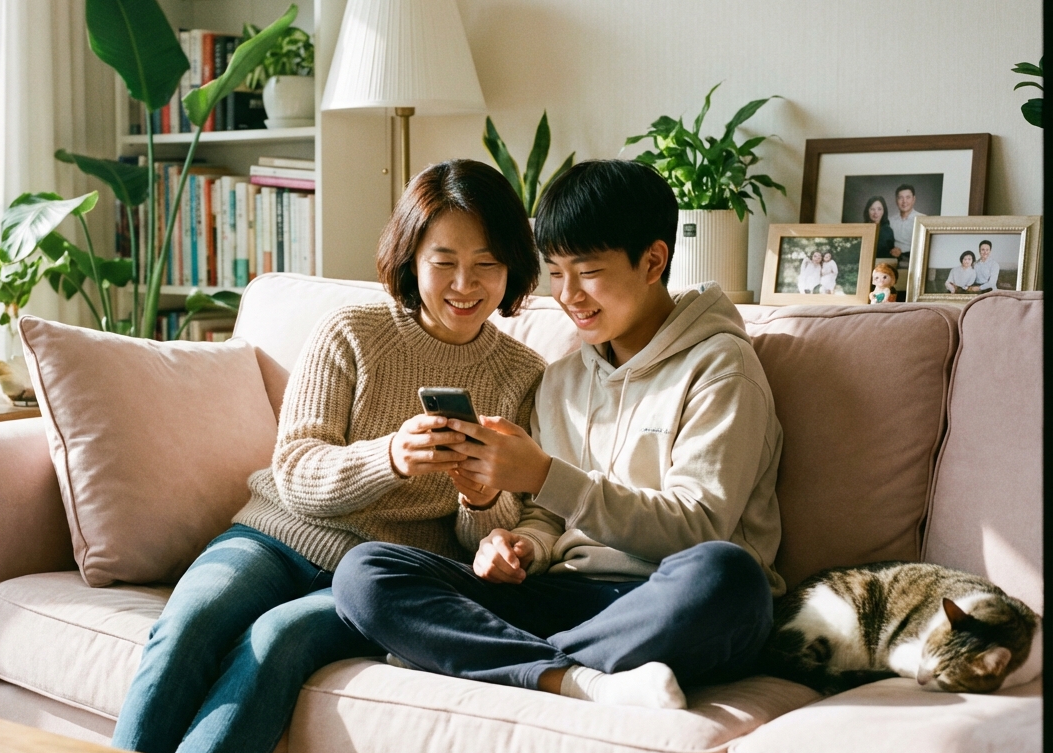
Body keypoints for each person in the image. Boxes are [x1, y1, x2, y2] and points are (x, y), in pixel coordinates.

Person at [111, 160, 546, 753]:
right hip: (272, 537)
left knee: (275, 645)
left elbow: (498, 533)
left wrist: (479, 500)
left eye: (487, 264)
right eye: (444, 261)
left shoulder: (523, 375)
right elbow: (295, 469)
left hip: (380, 578)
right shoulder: (351, 332)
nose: (464, 284)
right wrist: (390, 457)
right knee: (191, 623)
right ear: (411, 257)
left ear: (513, 268)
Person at [333, 159, 783, 712]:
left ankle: (491, 660)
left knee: (728, 576)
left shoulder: (721, 367)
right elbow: (546, 520)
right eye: (555, 271)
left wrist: (544, 476)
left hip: (664, 600)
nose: (568, 294)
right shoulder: (563, 376)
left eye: (588, 271)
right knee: (366, 572)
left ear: (653, 261)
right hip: (561, 595)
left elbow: (697, 528)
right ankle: (576, 680)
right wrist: (519, 544)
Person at [887, 184, 926, 263]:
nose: (904, 201)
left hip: (916, 260)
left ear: (913, 199)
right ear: (896, 200)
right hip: (894, 259)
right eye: (900, 198)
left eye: (908, 197)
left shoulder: (923, 219)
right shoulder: (890, 221)